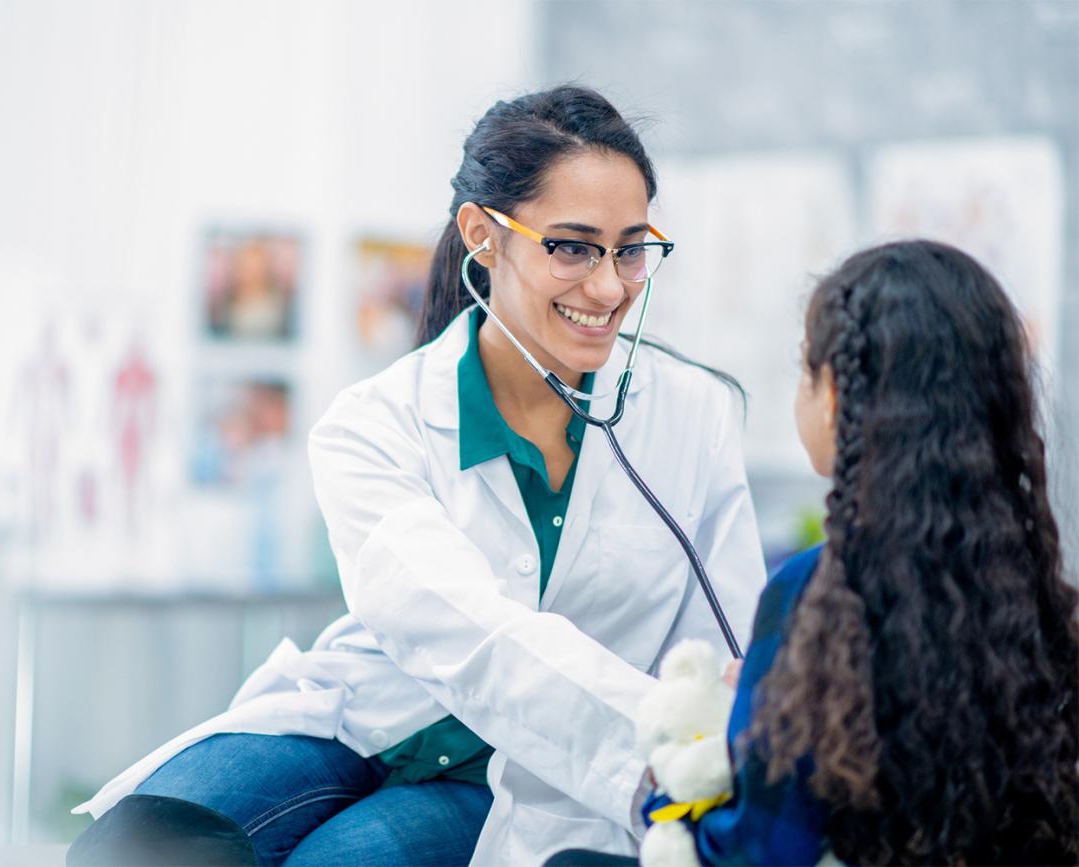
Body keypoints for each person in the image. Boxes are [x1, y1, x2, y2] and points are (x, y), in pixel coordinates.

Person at [67, 85, 765, 866]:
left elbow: (725, 642)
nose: (608, 287)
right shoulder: (374, 423)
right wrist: (651, 725)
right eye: (571, 247)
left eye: (630, 248)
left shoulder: (692, 416)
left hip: (541, 774)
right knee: (133, 849)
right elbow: (455, 623)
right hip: (370, 718)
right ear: (483, 237)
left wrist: (698, 760)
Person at [550, 240, 1079, 866]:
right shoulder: (1033, 593)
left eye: (805, 369)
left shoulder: (816, 594)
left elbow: (756, 852)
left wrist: (673, 785)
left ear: (835, 397)